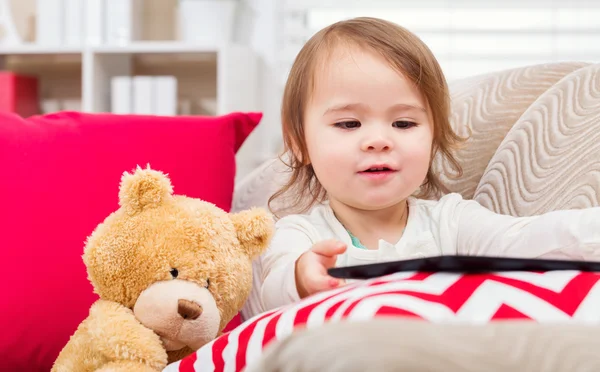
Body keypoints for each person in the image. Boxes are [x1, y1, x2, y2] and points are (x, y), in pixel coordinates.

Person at [257, 17, 600, 311]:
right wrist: (301, 277)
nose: (379, 140)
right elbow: (270, 291)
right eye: (349, 124)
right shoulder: (300, 234)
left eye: (404, 124)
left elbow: (527, 239)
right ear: (299, 143)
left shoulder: (452, 222)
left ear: (433, 138)